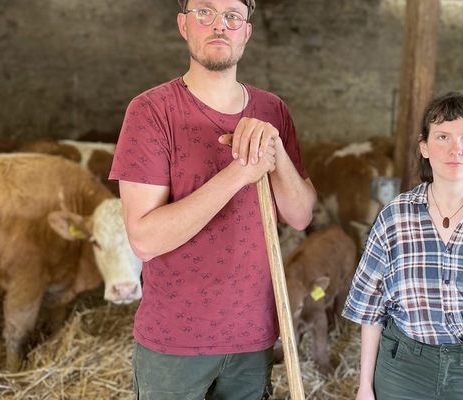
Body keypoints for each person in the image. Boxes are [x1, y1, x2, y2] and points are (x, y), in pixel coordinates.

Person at [108, 0, 316, 398]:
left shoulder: (273, 110)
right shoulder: (151, 112)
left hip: (254, 337)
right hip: (175, 342)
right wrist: (239, 173)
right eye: (205, 12)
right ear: (184, 25)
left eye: (233, 16)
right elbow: (145, 240)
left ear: (246, 32)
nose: (220, 24)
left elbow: (301, 215)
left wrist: (274, 150)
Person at [342, 90, 463, 400]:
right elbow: (371, 309)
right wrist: (365, 386)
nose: (456, 150)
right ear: (424, 146)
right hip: (403, 370)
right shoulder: (395, 216)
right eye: (443, 137)